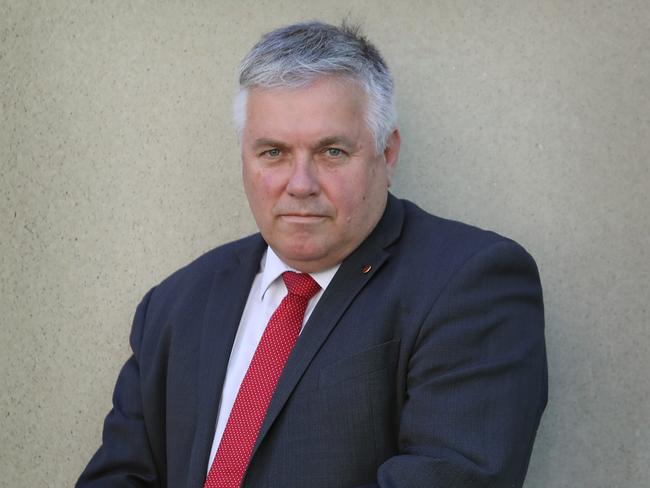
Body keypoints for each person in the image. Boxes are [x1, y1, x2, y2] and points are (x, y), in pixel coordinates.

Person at [77, 21, 547, 488]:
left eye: (332, 152)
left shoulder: (472, 282)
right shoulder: (176, 303)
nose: (299, 184)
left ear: (388, 154)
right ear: (245, 157)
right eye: (274, 152)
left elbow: (450, 476)